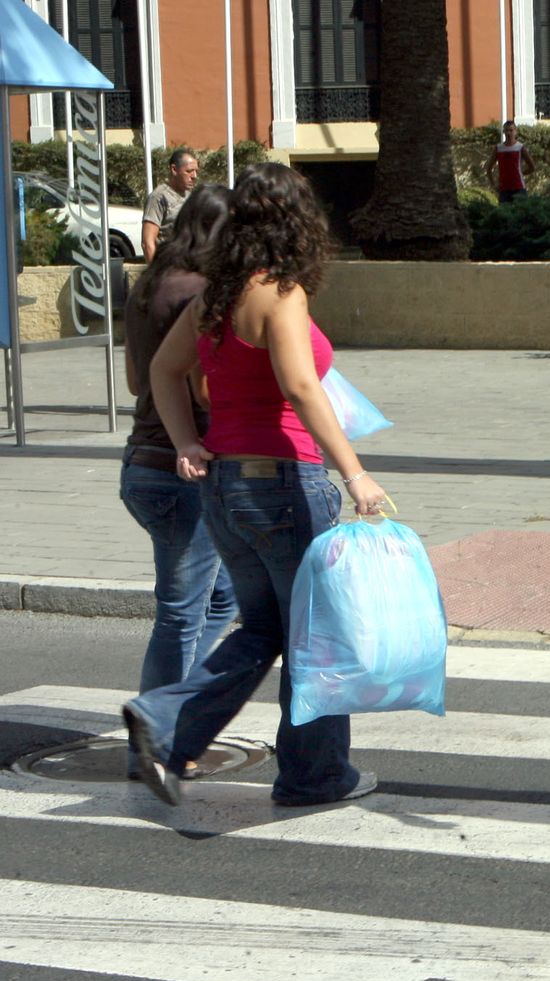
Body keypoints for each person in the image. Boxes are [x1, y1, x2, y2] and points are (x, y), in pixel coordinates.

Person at [122, 162, 389, 808]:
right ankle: (313, 775)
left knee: (264, 628)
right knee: (314, 635)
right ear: (299, 223)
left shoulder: (216, 296)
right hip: (285, 483)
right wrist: (355, 473)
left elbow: (162, 371)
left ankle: (164, 718)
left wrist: (187, 442)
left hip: (225, 487)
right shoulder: (280, 292)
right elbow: (300, 386)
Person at [120, 185, 238, 779]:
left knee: (225, 598)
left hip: (144, 462)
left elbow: (134, 379)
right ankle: (156, 735)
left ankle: (173, 712)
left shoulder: (148, 285)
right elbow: (203, 388)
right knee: (182, 613)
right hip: (183, 467)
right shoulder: (200, 292)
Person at [141, 148, 200, 262]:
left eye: (196, 171)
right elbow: (147, 243)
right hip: (168, 266)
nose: (194, 176)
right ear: (174, 169)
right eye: (189, 171)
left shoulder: (190, 196)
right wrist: (156, 271)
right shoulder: (158, 197)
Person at [487, 120, 534, 203]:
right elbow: (489, 168)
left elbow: (532, 167)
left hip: (519, 188)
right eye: (506, 130)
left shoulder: (520, 147)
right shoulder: (498, 148)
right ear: (503, 132)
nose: (508, 133)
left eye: (511, 130)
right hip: (504, 189)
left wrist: (521, 173)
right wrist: (493, 185)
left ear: (515, 131)